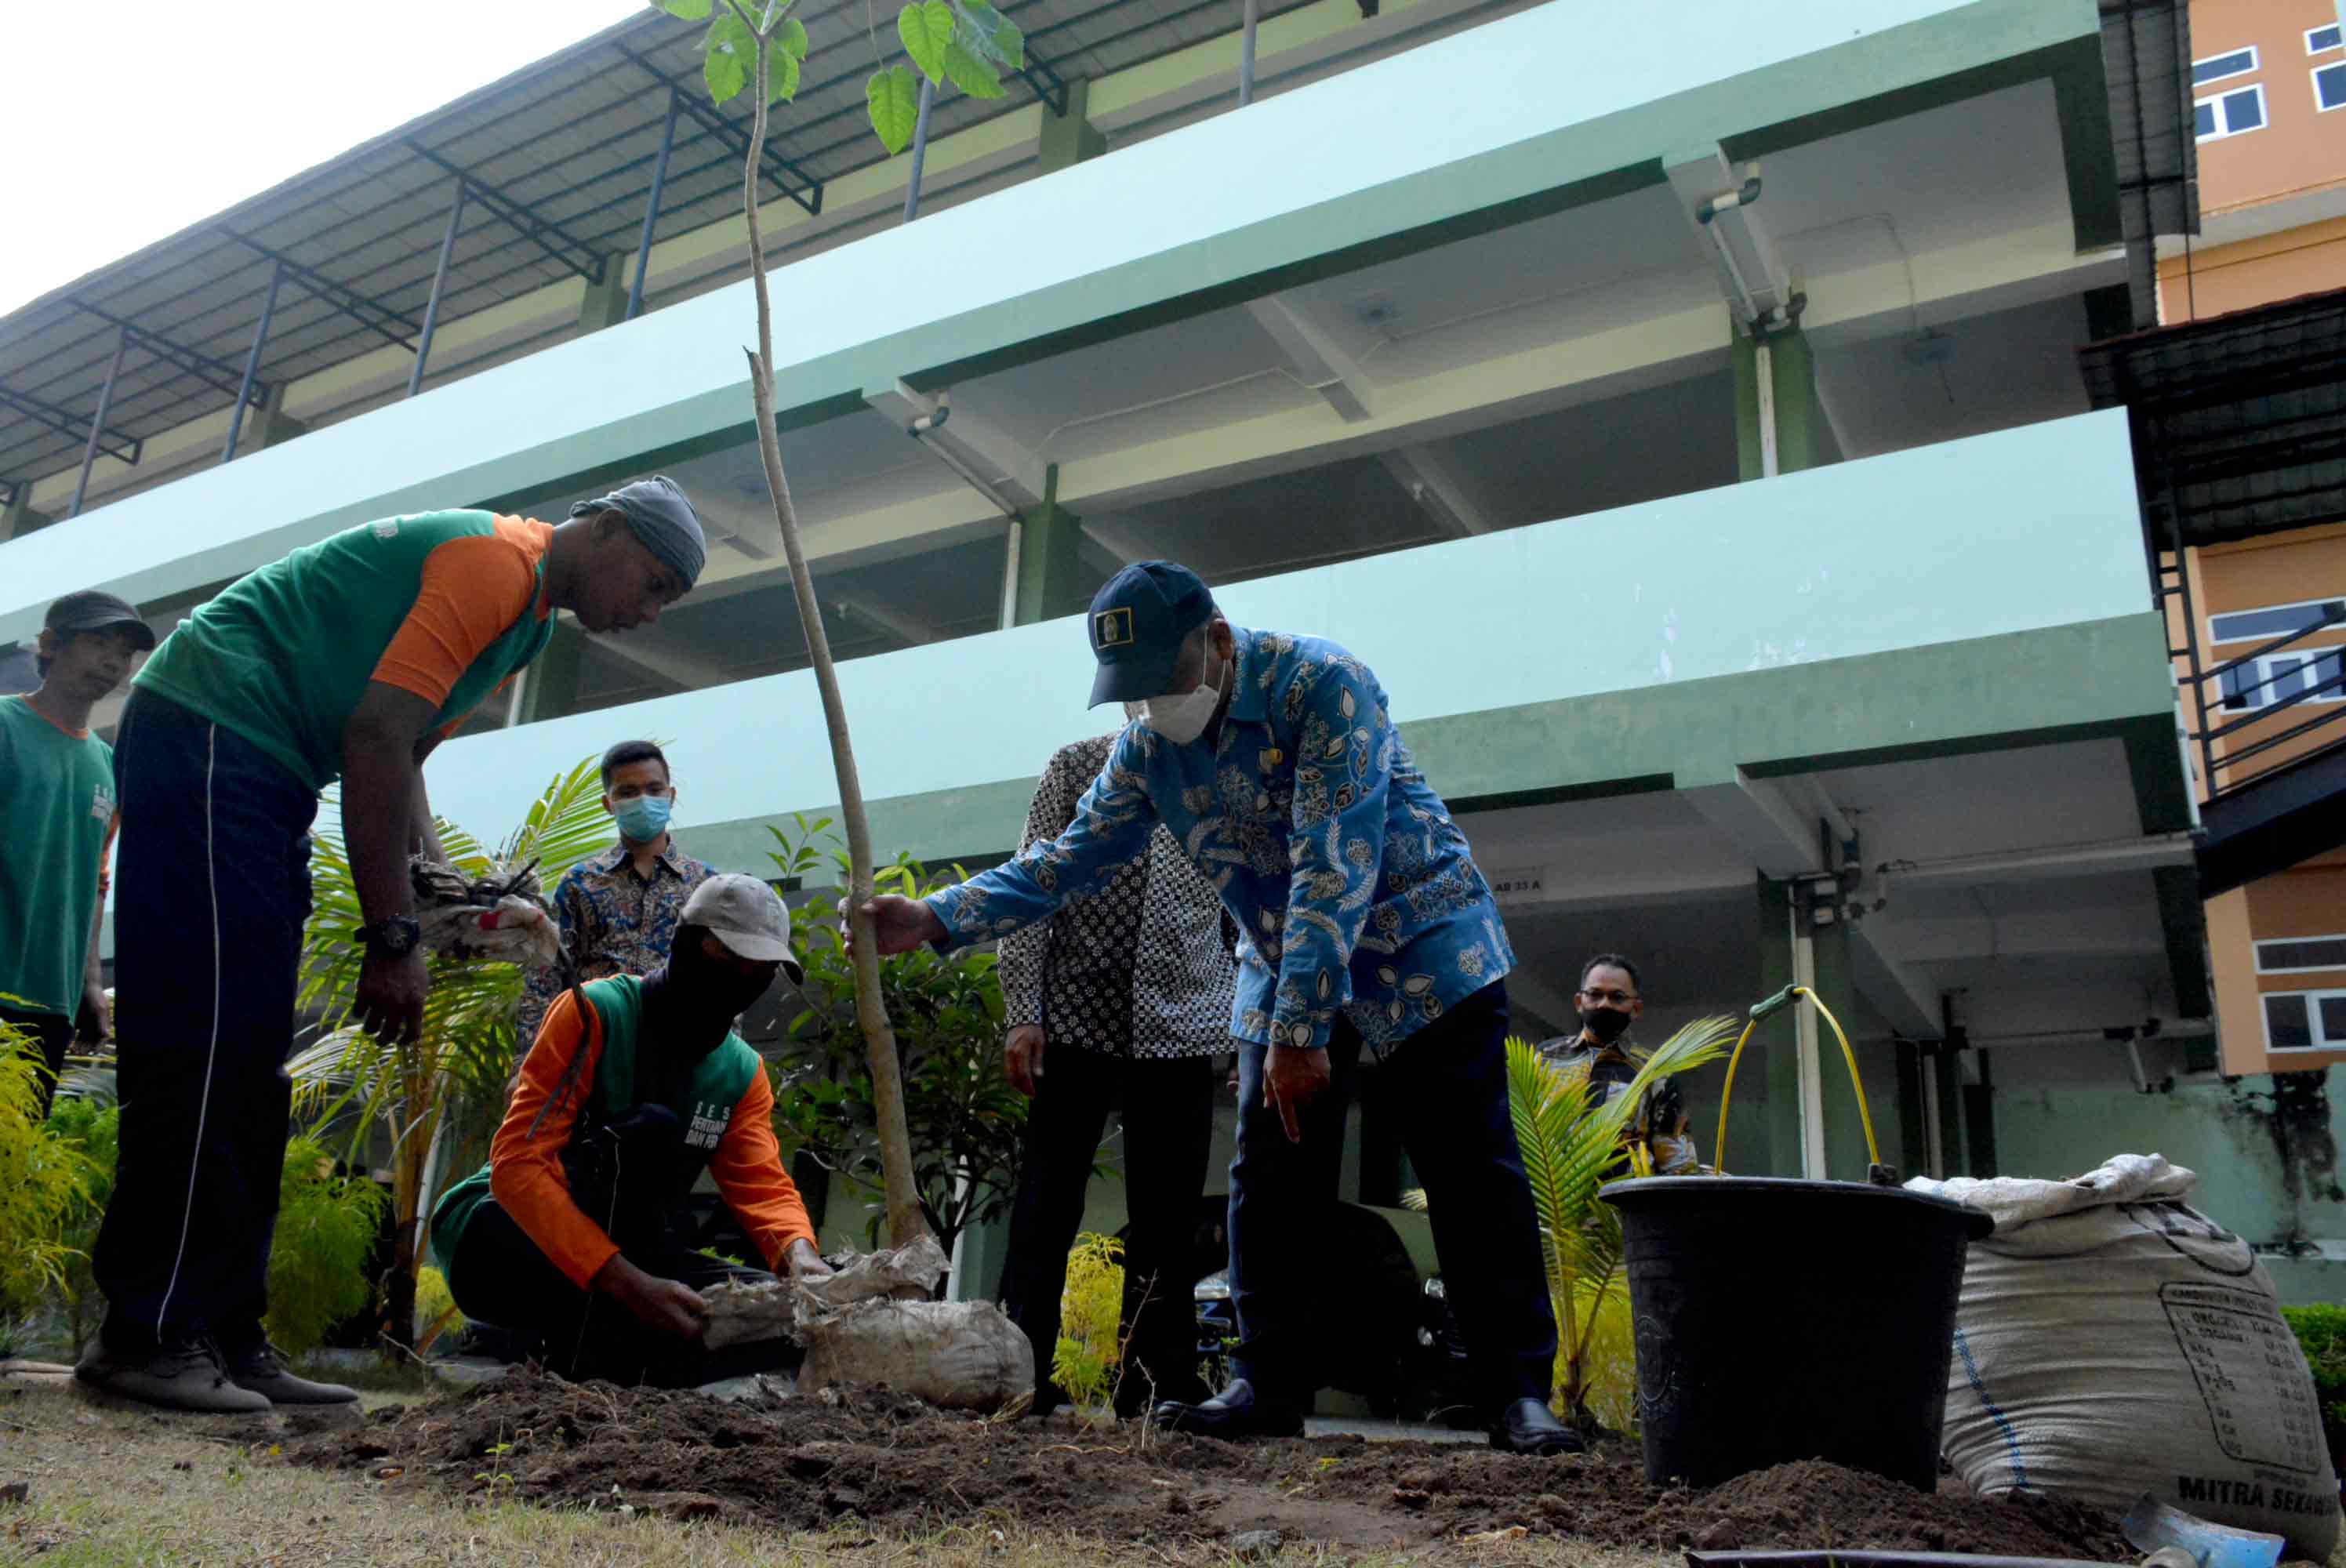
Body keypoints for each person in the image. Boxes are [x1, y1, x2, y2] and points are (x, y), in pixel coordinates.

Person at [862, 561, 1578, 1455]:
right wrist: (937, 913)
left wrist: (1300, 1031)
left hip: (1422, 946)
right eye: (1135, 691)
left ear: (1220, 641)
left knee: (1468, 1167)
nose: (1156, 703)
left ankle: (1515, 1390)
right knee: (1270, 1175)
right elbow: (1068, 858)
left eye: (1168, 678)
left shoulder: (1325, 686)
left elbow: (1332, 862)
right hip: (1280, 951)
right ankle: (1266, 1382)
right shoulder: (1147, 750)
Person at [79, 477, 708, 1414]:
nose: (648, 612)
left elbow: (405, 757)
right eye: (652, 583)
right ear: (605, 527)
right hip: (213, 725)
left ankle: (222, 1330)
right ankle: (148, 1331)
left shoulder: (530, 619)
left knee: (252, 1059)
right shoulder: (495, 559)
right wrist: (393, 937)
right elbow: (372, 734)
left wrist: (452, 891)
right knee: (204, 1046)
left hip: (268, 765)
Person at [430, 874, 831, 1387]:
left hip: (636, 1255)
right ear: (689, 944)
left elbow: (764, 1186)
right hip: (500, 1237)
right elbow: (517, 1168)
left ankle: (599, 1355)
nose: (742, 977)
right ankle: (582, 1335)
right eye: (728, 958)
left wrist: (801, 1258)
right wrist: (627, 1284)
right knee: (650, 1133)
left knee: (782, 1319)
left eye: (760, 970)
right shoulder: (596, 1013)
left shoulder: (741, 1073)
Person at [997, 726, 1236, 1419]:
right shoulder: (1076, 763)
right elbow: (1032, 879)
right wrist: (1023, 1008)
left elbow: (1246, 907)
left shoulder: (1228, 777)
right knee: (1047, 1204)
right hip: (1073, 1016)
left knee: (1168, 1216)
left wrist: (1255, 1024)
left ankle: (1156, 1384)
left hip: (1186, 1018)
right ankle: (1022, 1372)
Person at [0, 592, 154, 1117]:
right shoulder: (3, 726)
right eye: (97, 643)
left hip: (51, 1001)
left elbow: (96, 879)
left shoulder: (108, 764)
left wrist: (90, 982)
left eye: (125, 652)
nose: (113, 661)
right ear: (50, 646)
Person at [518, 739, 715, 1050]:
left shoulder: (705, 885)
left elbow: (720, 979)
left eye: (654, 789)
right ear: (608, 804)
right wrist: (526, 1064)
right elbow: (545, 977)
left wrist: (725, 1065)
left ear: (671, 796)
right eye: (628, 792)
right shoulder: (579, 883)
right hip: (593, 1052)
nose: (643, 800)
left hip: (680, 1053)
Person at [1538, 954, 1700, 1176]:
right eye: (1595, 995)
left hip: (1625, 1207)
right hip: (1554, 1203)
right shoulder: (1546, 1057)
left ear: (1636, 1008)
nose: (1604, 1004)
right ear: (1579, 1002)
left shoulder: (1655, 1072)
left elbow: (1678, 1164)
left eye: (1617, 997)